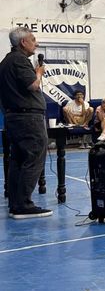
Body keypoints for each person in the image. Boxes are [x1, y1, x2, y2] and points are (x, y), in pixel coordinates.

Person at [0, 27, 51, 219]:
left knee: (18, 160)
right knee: (34, 158)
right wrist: (38, 72)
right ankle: (24, 205)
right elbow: (33, 85)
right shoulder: (20, 60)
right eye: (33, 39)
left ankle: (16, 203)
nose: (36, 44)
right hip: (28, 118)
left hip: (13, 117)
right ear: (23, 42)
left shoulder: (4, 63)